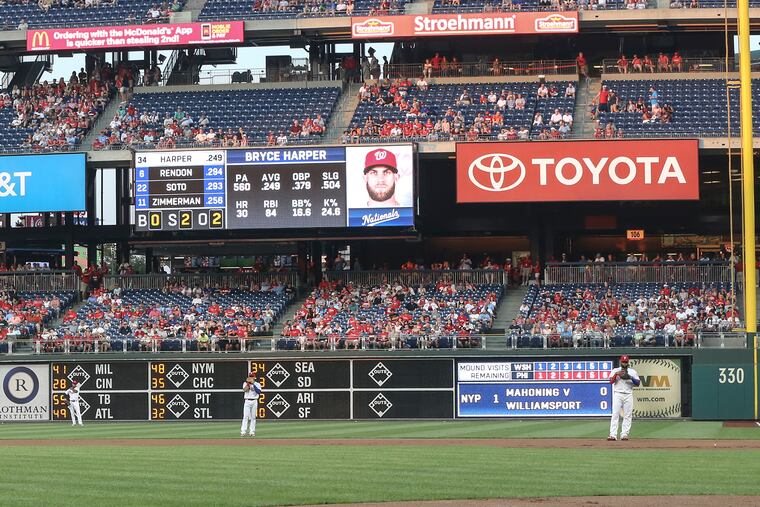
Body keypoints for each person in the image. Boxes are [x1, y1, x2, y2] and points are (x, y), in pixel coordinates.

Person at [608, 355, 640, 441]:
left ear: (628, 362)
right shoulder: (615, 370)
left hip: (628, 394)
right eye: (623, 362)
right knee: (615, 414)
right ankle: (613, 435)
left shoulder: (632, 372)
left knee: (628, 415)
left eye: (626, 362)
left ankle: (624, 434)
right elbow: (610, 381)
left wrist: (630, 377)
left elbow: (638, 383)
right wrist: (616, 375)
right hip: (617, 394)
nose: (624, 363)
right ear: (620, 362)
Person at [241, 373, 262, 437]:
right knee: (245, 417)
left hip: (254, 401)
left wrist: (253, 384)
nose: (251, 377)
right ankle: (243, 432)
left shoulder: (257, 384)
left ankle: (252, 432)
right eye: (250, 376)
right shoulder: (245, 383)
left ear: (254, 377)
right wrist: (248, 383)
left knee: (253, 417)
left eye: (252, 376)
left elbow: (258, 392)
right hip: (247, 401)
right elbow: (244, 390)